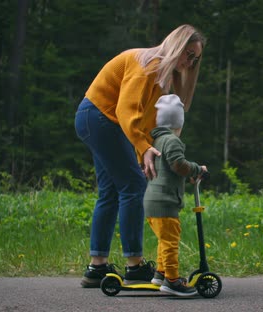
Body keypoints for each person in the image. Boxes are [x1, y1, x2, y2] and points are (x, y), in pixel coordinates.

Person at [74, 24, 206, 288]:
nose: (189, 61)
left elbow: (141, 124)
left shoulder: (162, 78)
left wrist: (142, 153)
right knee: (133, 186)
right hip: (100, 117)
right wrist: (144, 150)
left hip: (101, 121)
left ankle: (96, 268)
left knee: (111, 191)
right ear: (176, 44)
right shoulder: (148, 65)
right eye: (188, 53)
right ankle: (134, 266)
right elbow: (126, 110)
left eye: (195, 58)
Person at [143, 94, 207, 297]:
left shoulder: (158, 140)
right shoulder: (172, 140)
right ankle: (172, 280)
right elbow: (178, 164)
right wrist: (196, 169)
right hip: (165, 201)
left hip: (152, 202)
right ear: (178, 123)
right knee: (171, 241)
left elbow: (170, 168)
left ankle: (160, 273)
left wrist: (187, 174)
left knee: (164, 239)